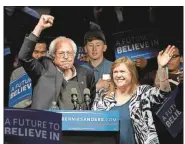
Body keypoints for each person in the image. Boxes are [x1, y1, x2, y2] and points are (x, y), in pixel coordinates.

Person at [92, 45, 176, 144]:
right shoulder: (103, 95)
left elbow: (164, 95)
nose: (118, 75)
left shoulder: (142, 93)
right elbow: (94, 124)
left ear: (131, 74)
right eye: (115, 72)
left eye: (122, 71)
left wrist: (162, 67)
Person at [18, 15, 96, 110]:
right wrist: (39, 27)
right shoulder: (43, 70)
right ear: (53, 56)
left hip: (76, 123)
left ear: (74, 55)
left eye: (69, 53)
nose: (66, 57)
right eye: (61, 53)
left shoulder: (86, 73)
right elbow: (24, 57)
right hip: (48, 123)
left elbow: (90, 101)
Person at [9, 40, 47, 108]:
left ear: (47, 53)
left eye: (43, 52)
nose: (39, 56)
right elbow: (14, 100)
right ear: (30, 53)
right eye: (36, 52)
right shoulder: (17, 73)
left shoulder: (51, 71)